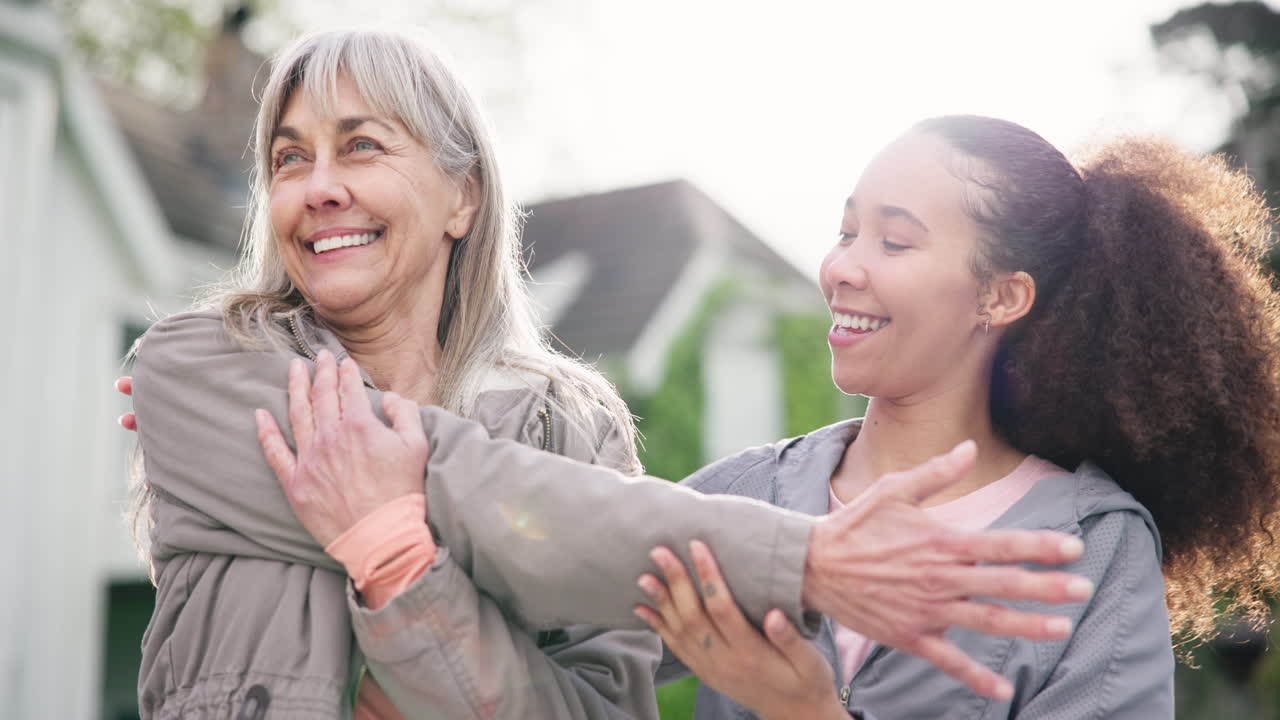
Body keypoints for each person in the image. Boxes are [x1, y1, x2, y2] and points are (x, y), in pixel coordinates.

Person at [121, 26, 1091, 720]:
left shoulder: (565, 425)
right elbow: (487, 490)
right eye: (289, 160)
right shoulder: (198, 365)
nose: (318, 184)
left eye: (361, 146)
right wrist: (803, 560)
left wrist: (396, 559)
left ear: (462, 196)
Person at [626, 117, 1280, 719]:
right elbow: (549, 645)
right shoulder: (750, 492)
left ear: (1000, 296)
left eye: (895, 241)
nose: (841, 269)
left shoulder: (1092, 548)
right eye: (847, 232)